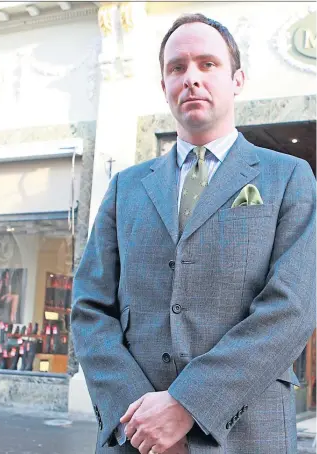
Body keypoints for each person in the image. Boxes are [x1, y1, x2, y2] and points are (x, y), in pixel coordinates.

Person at [71, 13, 316, 454]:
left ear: (237, 79)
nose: (191, 78)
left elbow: (292, 307)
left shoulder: (289, 177)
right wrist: (142, 421)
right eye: (176, 67)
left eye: (208, 64)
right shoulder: (125, 187)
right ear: (163, 83)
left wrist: (187, 406)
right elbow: (90, 308)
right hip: (136, 438)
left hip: (250, 436)